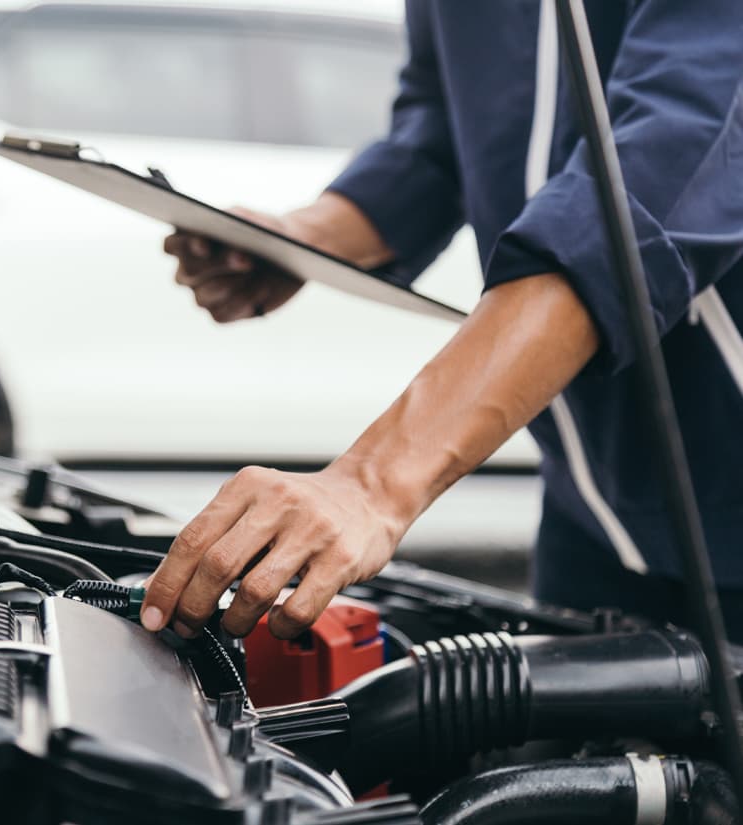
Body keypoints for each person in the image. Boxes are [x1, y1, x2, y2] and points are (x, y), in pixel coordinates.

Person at [137, 1, 743, 643]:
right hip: (593, 504)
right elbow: (439, 135)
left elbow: (671, 158)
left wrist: (371, 484)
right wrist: (306, 239)